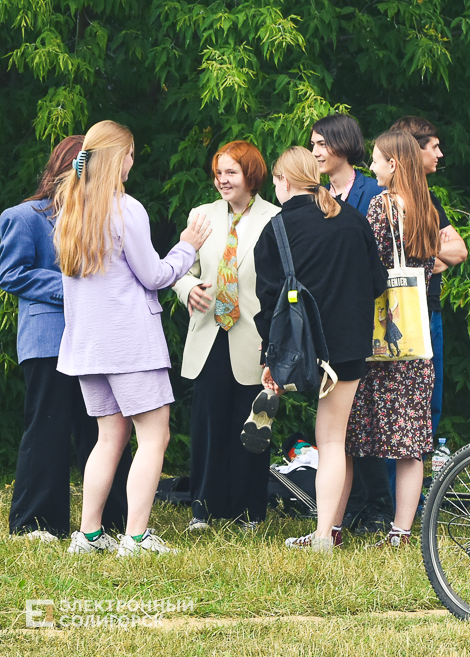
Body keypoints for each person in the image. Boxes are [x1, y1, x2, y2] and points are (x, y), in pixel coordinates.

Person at [54, 119, 210, 556]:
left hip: (87, 347)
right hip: (128, 344)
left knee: (109, 438)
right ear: (116, 158)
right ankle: (136, 537)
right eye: (130, 154)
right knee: (154, 437)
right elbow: (155, 275)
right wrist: (188, 246)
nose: (132, 162)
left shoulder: (71, 208)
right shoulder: (126, 208)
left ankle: (88, 535)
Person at [253, 146, 387, 552]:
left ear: (284, 180)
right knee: (334, 440)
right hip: (347, 346)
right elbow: (378, 282)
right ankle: (329, 531)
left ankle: (323, 535)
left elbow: (268, 302)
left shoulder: (276, 229)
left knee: (327, 441)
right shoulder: (352, 219)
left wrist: (270, 359)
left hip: (299, 346)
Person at [0, 136, 131, 542]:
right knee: (48, 430)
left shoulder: (104, 216)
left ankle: (113, 523)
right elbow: (11, 273)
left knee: (104, 430)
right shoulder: (25, 216)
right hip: (48, 340)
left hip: (97, 341)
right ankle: (36, 524)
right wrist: (71, 286)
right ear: (73, 165)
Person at [172, 141, 280, 531]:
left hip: (254, 337)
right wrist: (187, 290)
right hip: (209, 334)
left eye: (230, 172)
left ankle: (249, 513)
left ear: (251, 174)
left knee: (253, 425)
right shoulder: (201, 215)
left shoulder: (275, 218)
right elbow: (180, 267)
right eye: (218, 173)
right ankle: (202, 510)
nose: (222, 180)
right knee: (207, 425)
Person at [345, 129, 440, 548]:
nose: (371, 167)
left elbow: (370, 264)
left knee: (352, 432)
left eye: (378, 160)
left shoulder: (382, 205)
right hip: (417, 340)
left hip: (383, 337)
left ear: (394, 164)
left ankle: (336, 521)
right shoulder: (425, 206)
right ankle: (402, 530)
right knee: (411, 441)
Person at [310, 114, 393, 536]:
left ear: (343, 143)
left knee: (369, 413)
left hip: (371, 313)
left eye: (322, 143)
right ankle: (342, 511)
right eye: (312, 145)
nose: (316, 152)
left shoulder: (372, 190)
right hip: (329, 318)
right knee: (343, 420)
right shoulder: (316, 194)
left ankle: (376, 506)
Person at [390, 116, 468, 438]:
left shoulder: (430, 201)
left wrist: (425, 249)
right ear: (413, 150)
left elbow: (460, 250)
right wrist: (430, 251)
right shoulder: (387, 202)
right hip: (396, 315)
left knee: (429, 407)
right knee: (399, 408)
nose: (440, 154)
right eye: (433, 147)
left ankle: (420, 488)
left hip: (429, 310)